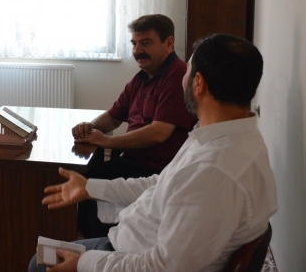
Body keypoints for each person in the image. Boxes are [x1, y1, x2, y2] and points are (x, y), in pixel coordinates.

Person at [28, 33, 277, 272]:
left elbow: (163, 267)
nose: (182, 77)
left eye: (187, 71)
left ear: (198, 83)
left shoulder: (213, 171)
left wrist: (83, 264)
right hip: (130, 242)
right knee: (44, 256)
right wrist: (89, 188)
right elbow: (162, 183)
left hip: (132, 256)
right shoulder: (226, 137)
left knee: (38, 264)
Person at [72, 14, 197, 238]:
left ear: (169, 43)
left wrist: (107, 141)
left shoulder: (176, 75)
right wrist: (89, 127)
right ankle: (90, 238)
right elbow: (113, 117)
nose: (138, 51)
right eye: (134, 43)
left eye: (146, 43)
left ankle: (102, 243)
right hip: (133, 162)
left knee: (90, 183)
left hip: (155, 171)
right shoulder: (141, 78)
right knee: (88, 175)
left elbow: (159, 133)